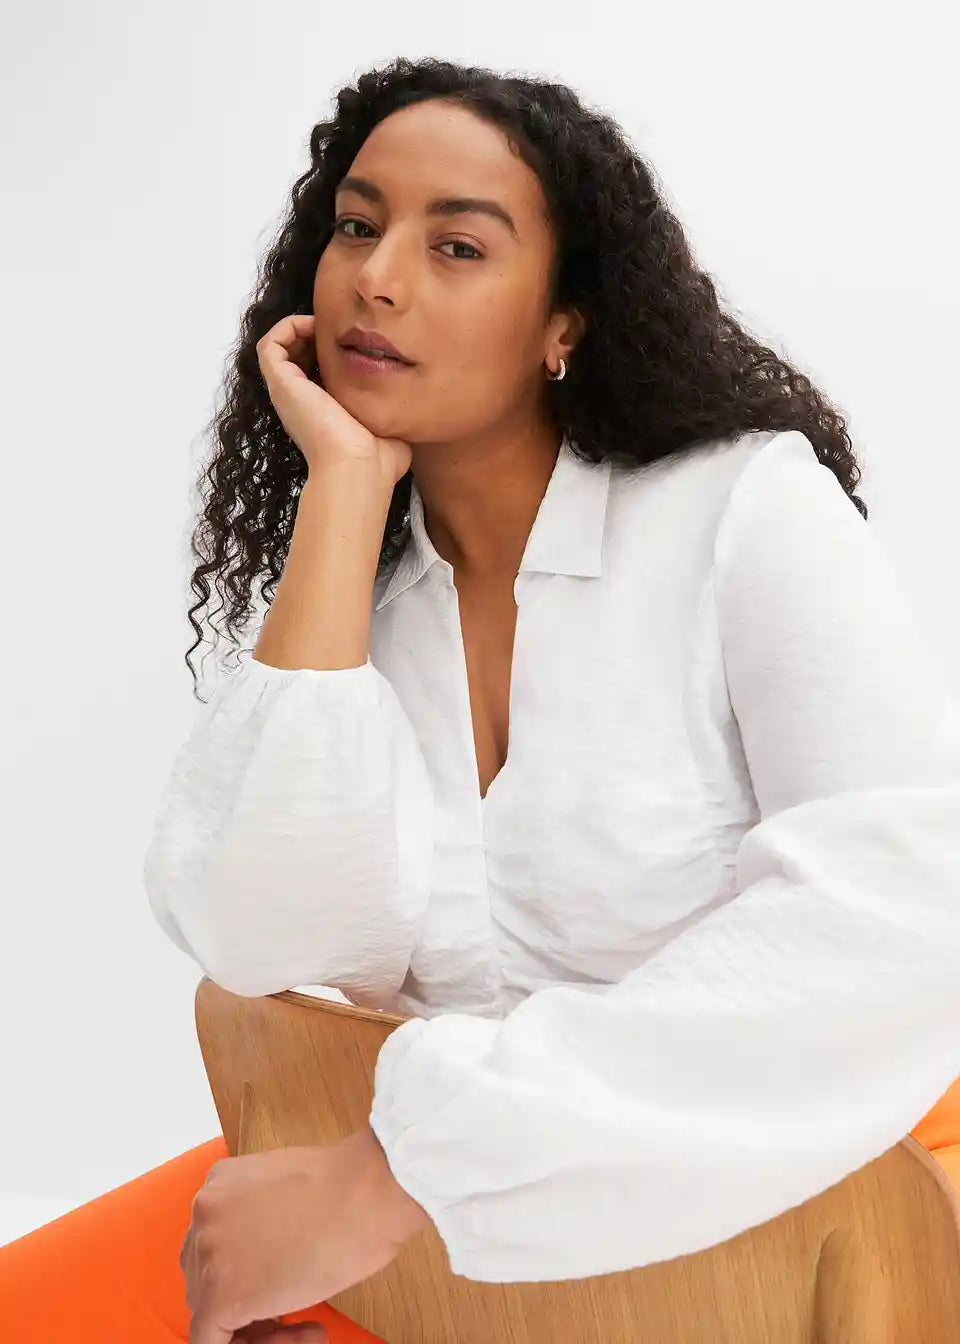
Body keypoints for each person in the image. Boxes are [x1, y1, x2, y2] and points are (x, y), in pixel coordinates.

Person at [3, 54, 960, 1344]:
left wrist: (403, 1170)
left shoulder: (746, 509)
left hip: (815, 1210)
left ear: (565, 324)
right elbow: (266, 947)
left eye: (457, 247)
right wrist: (343, 492)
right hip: (437, 1246)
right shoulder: (360, 590)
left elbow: (900, 913)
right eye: (357, 226)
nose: (377, 277)